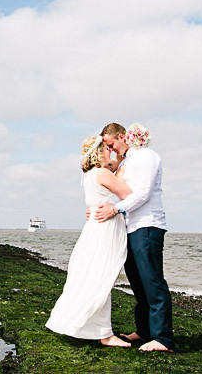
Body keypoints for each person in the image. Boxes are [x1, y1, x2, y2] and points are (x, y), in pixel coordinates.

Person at [93, 122, 175, 352]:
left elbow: (142, 194)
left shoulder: (146, 156)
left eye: (111, 145)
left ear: (122, 136)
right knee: (138, 283)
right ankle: (144, 331)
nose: (111, 150)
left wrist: (115, 209)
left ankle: (163, 339)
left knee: (153, 282)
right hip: (131, 228)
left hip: (147, 226)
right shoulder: (127, 161)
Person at [45, 136, 133, 347]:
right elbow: (129, 194)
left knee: (92, 276)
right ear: (99, 153)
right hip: (105, 230)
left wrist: (120, 159)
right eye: (107, 150)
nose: (110, 153)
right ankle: (105, 334)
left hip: (94, 229)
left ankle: (93, 328)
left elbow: (114, 164)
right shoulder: (102, 173)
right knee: (102, 277)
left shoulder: (88, 174)